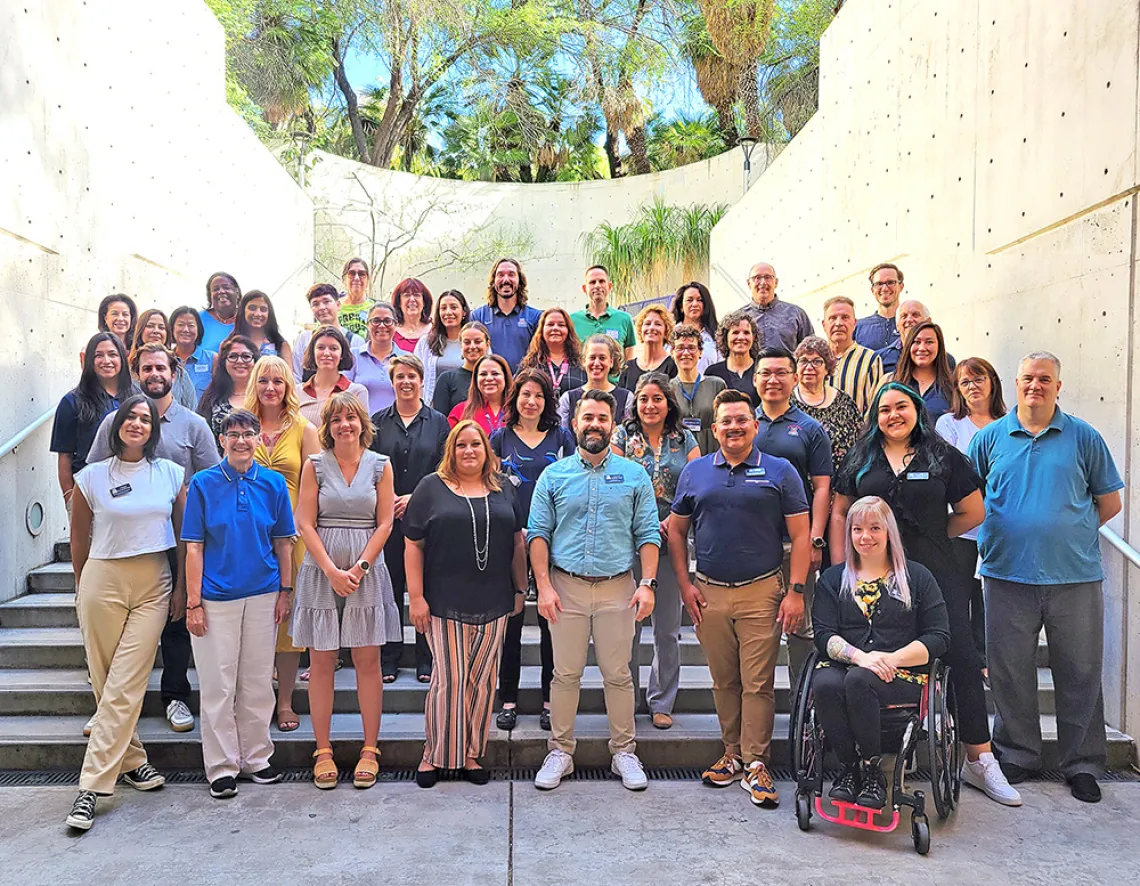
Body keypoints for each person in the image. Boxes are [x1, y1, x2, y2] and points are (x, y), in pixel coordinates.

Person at [832, 382, 1020, 807]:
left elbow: (974, 511)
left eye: (901, 406)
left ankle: (980, 759)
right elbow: (841, 510)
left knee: (963, 658)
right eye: (884, 409)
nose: (893, 415)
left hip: (933, 574)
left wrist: (935, 536)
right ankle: (867, 759)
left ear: (917, 410)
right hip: (871, 574)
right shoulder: (862, 457)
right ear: (874, 416)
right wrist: (843, 565)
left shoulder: (943, 456)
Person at [969, 351, 1123, 804]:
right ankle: (1017, 753)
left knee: (1079, 670)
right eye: (1028, 379)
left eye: (1045, 379)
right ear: (1015, 385)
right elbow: (969, 500)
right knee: (1010, 670)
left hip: (1074, 576)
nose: (1035, 385)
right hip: (1005, 573)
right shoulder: (990, 438)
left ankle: (1083, 764)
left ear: (1058, 386)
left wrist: (1068, 532)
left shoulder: (1083, 437)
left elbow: (1108, 502)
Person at [668, 389, 810, 807]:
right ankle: (732, 754)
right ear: (715, 429)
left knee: (758, 683)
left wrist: (796, 591)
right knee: (723, 680)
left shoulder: (780, 471)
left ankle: (757, 763)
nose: (733, 427)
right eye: (725, 421)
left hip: (762, 592)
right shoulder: (695, 473)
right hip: (708, 592)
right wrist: (684, 585)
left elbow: (801, 536)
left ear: (755, 425)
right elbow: (676, 530)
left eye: (741, 420)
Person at [63, 395, 187, 832]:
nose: (137, 423)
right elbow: (79, 539)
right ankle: (134, 760)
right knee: (105, 680)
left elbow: (183, 537)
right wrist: (82, 588)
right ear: (116, 426)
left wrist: (184, 590)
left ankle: (91, 787)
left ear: (155, 429)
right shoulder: (91, 476)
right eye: (130, 417)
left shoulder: (171, 473)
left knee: (127, 681)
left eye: (145, 419)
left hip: (154, 582)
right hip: (102, 579)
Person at [528, 389, 659, 791]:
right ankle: (561, 751)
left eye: (603, 418)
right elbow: (538, 534)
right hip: (565, 588)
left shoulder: (635, 475)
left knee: (618, 674)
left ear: (613, 424)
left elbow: (648, 532)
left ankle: (623, 751)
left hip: (618, 587)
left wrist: (648, 584)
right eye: (588, 418)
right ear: (575, 423)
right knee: (564, 674)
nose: (595, 425)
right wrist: (545, 588)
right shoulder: (554, 475)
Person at [87, 343, 220, 733]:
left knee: (176, 621)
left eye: (161, 367)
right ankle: (109, 705)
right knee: (116, 628)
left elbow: (212, 482)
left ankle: (176, 697)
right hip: (125, 542)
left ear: (174, 374)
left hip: (179, 538)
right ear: (137, 374)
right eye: (147, 368)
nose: (154, 374)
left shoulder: (194, 425)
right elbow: (93, 477)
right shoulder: (117, 422)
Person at [404, 420, 528, 787]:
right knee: (451, 679)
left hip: (495, 600)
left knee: (483, 681)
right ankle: (435, 755)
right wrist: (416, 597)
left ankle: (471, 753)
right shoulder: (431, 488)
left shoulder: (504, 487)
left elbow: (518, 542)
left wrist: (521, 590)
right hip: (444, 601)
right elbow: (413, 544)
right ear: (451, 451)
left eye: (476, 444)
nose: (469, 451)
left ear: (487, 450)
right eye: (461, 445)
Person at [811, 495, 951, 810]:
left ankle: (873, 771)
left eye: (875, 528)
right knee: (825, 684)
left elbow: (939, 636)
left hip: (901, 673)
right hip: (848, 664)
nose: (866, 537)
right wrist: (862, 657)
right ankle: (849, 767)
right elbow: (823, 635)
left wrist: (891, 659)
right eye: (857, 529)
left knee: (859, 681)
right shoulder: (833, 580)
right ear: (848, 534)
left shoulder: (917, 578)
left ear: (889, 532)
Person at [182, 409, 295, 799]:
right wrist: (193, 603)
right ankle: (222, 766)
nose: (241, 441)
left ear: (260, 439)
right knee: (217, 685)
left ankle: (257, 758)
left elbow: (283, 543)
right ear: (221, 441)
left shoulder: (274, 484)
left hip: (264, 595)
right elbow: (193, 547)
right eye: (233, 435)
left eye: (249, 433)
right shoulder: (202, 484)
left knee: (258, 681)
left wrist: (286, 590)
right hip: (216, 599)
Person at [293, 392, 401, 789]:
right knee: (321, 662)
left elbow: (385, 523)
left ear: (363, 423)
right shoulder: (314, 465)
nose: (344, 425)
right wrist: (332, 571)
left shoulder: (380, 466)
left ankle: (370, 748)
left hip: (366, 567)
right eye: (336, 419)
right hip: (321, 567)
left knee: (368, 660)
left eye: (351, 417)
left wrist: (358, 568)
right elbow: (305, 522)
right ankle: (322, 749)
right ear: (328, 426)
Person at [612, 373, 699, 729]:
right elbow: (613, 481)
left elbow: (696, 481)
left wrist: (673, 520)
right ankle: (626, 697)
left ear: (669, 403)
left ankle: (662, 700)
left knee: (667, 629)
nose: (649, 405)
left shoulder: (685, 437)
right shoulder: (622, 435)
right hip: (628, 541)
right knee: (627, 627)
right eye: (644, 398)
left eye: (657, 399)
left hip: (672, 540)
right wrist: (645, 523)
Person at [490, 370, 575, 731]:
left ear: (547, 401)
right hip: (508, 540)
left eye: (539, 396)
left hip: (552, 541)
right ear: (515, 399)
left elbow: (575, 483)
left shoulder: (561, 437)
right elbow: (489, 486)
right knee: (509, 623)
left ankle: (548, 699)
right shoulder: (499, 438)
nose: (531, 401)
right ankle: (507, 698)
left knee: (550, 623)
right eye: (525, 394)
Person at [246, 356, 320, 733]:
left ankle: (286, 701)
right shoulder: (241, 425)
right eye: (264, 381)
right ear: (254, 385)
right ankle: (258, 699)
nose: (271, 388)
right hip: (246, 536)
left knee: (287, 624)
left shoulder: (304, 429)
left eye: (278, 381)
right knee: (254, 619)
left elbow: (317, 485)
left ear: (288, 386)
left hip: (291, 537)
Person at [752, 347, 833, 690]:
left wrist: (816, 539)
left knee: (800, 628)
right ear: (755, 380)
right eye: (765, 373)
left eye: (781, 373)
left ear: (795, 378)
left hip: (795, 545)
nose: (773, 380)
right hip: (752, 546)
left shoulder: (810, 429)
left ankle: (802, 707)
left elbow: (822, 488)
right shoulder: (743, 422)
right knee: (756, 634)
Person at [370, 354, 449, 683]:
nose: (405, 382)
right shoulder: (377, 421)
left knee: (425, 588)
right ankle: (389, 656)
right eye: (399, 377)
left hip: (428, 517)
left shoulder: (439, 422)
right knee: (389, 588)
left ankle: (425, 657)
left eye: (411, 377)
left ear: (421, 381)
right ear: (392, 382)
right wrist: (391, 500)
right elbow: (370, 469)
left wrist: (415, 497)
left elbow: (445, 468)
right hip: (386, 519)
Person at [936, 357, 1006, 666]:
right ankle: (963, 661)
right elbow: (949, 473)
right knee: (959, 593)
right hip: (963, 527)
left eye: (978, 379)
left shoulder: (1009, 424)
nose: (972, 387)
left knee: (988, 600)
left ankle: (987, 659)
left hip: (1001, 529)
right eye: (965, 382)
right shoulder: (949, 424)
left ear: (993, 382)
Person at [51, 333, 132, 507]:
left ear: (123, 359)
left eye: (112, 354)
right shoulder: (71, 401)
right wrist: (70, 498)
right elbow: (64, 456)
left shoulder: (137, 398)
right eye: (98, 355)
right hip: (88, 494)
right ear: (88, 360)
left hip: (132, 490)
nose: (106, 360)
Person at [790, 336, 862, 465]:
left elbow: (860, 443)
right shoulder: (786, 402)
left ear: (827, 367)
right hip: (796, 482)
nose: (809, 367)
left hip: (840, 482)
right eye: (803, 361)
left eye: (817, 361)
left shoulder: (844, 402)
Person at [470, 258, 542, 371]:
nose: (506, 280)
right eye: (500, 275)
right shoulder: (478, 317)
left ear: (520, 280)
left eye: (511, 274)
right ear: (493, 281)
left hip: (522, 384)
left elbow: (538, 356)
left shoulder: (536, 317)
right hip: (489, 383)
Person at [670, 323, 726, 456]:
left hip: (712, 452)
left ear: (700, 352)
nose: (686, 353)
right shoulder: (667, 389)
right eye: (680, 348)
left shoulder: (717, 385)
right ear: (672, 353)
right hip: (679, 455)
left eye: (691, 348)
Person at [822, 295, 883, 416]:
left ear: (855, 323)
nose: (838, 323)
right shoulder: (812, 361)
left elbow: (875, 409)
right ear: (824, 324)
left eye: (845, 317)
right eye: (833, 318)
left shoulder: (870, 360)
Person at [557, 333, 632, 428]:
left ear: (611, 361)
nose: (596, 363)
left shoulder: (626, 399)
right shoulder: (568, 399)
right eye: (592, 358)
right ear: (584, 361)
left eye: (602, 358)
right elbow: (562, 436)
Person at [292, 284, 365, 382]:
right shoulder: (304, 339)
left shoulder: (355, 341)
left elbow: (359, 378)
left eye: (326, 302)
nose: (322, 307)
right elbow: (296, 376)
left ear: (338, 305)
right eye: (315, 304)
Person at [298, 326, 370, 426]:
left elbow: (362, 435)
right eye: (321, 347)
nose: (327, 353)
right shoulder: (296, 392)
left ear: (342, 354)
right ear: (312, 352)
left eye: (333, 348)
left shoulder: (357, 392)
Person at [197, 335, 259, 447]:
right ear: (224, 362)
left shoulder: (265, 397)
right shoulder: (212, 399)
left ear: (255, 361)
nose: (240, 361)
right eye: (233, 356)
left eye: (246, 356)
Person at [347, 302, 407, 414]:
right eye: (376, 321)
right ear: (367, 324)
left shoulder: (407, 359)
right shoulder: (353, 356)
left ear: (396, 325)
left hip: (399, 427)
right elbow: (343, 395)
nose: (382, 325)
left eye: (388, 321)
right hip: (361, 427)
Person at [130, 309, 196, 410]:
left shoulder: (179, 373)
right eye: (150, 326)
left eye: (161, 327)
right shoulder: (127, 372)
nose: (156, 331)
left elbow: (192, 409)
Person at [414, 289, 471, 407]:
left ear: (464, 311)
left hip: (467, 409)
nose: (448, 312)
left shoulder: (474, 342)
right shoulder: (426, 343)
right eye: (443, 308)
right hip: (434, 410)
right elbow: (415, 375)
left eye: (454, 307)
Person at [570, 265, 636, 362]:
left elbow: (629, 360)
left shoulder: (624, 319)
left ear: (609, 286)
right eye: (592, 282)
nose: (597, 286)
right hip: (582, 377)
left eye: (601, 281)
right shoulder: (572, 320)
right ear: (584, 289)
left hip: (615, 377)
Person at [893, 320, 955, 423]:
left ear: (939, 346)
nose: (922, 348)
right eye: (916, 342)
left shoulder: (953, 388)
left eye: (929, 342)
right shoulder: (893, 384)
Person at [741, 262, 813, 351]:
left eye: (767, 277)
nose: (763, 282)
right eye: (757, 278)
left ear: (776, 282)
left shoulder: (796, 314)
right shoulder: (739, 317)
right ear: (749, 283)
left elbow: (811, 350)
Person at [517, 307, 586, 398]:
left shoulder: (582, 363)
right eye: (550, 324)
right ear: (541, 330)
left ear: (569, 330)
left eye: (561, 325)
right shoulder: (529, 364)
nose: (555, 328)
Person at [431, 321, 490, 416]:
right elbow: (440, 421)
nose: (472, 346)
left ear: (487, 344)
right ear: (461, 346)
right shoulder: (447, 379)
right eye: (467, 342)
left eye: (478, 342)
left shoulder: (495, 378)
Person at [706, 309, 760, 407]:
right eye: (735, 332)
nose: (741, 337)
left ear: (754, 337)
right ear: (725, 337)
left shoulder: (762, 369)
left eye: (746, 333)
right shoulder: (712, 373)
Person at [448, 354, 511, 435]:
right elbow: (450, 445)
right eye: (483, 374)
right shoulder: (460, 412)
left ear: (505, 377)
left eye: (495, 373)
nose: (489, 378)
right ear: (475, 379)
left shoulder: (518, 411)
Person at [621, 304, 678, 390]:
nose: (651, 328)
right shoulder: (628, 367)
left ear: (666, 331)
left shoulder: (673, 366)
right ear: (640, 329)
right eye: (647, 324)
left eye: (658, 324)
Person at [170, 306, 217, 401]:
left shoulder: (213, 359)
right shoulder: (165, 359)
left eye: (191, 325)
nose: (186, 330)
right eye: (180, 324)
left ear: (198, 329)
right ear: (172, 328)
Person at [853, 262, 903, 352]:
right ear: (872, 290)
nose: (884, 288)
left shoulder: (912, 324)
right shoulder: (858, 328)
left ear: (901, 286)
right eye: (879, 284)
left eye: (890, 282)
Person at [670, 282, 720, 372]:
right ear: (681, 306)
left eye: (699, 300)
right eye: (689, 300)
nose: (695, 304)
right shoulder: (669, 333)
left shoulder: (716, 335)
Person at [233, 290, 292, 365]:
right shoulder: (230, 343)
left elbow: (288, 376)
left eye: (263, 309)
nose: (258, 313)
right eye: (252, 308)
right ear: (243, 310)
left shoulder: (280, 345)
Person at [199, 273, 240, 352]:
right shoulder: (198, 319)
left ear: (237, 293)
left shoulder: (247, 319)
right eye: (215, 289)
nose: (221, 291)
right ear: (210, 296)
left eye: (226, 287)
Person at [391, 277, 434, 352]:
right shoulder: (390, 332)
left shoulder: (435, 331)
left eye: (417, 295)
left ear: (424, 302)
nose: (412, 299)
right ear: (399, 302)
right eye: (407, 295)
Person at [338, 258, 374, 338]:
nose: (357, 278)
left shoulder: (375, 308)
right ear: (344, 279)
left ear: (368, 280)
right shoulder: (334, 307)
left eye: (362, 274)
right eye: (351, 273)